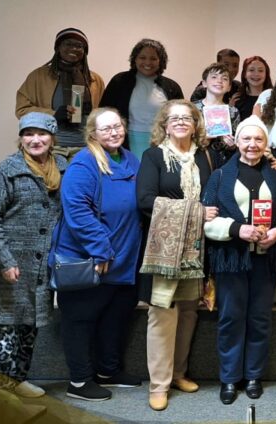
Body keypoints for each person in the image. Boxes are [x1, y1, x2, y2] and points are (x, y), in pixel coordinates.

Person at [202, 115, 276, 405]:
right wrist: (236, 229)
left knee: (260, 318)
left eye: (258, 139)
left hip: (265, 260)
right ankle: (230, 378)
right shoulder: (219, 176)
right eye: (247, 138)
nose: (252, 144)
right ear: (238, 142)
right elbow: (206, 221)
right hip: (231, 258)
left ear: (265, 144)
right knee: (230, 318)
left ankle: (254, 375)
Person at [51, 108, 142, 401]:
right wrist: (101, 250)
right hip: (92, 259)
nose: (114, 132)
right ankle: (78, 381)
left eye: (117, 127)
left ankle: (108, 370)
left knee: (115, 318)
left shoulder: (130, 160)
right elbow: (77, 211)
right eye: (106, 129)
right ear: (92, 134)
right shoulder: (84, 164)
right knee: (81, 318)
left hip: (124, 260)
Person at [136, 100, 222, 411]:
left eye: (187, 118)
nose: (182, 122)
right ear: (165, 124)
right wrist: (195, 211)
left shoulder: (203, 156)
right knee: (162, 314)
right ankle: (158, 385)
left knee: (188, 312)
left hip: (196, 248)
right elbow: (145, 200)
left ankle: (178, 374)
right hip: (165, 247)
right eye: (175, 118)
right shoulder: (154, 156)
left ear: (196, 124)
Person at [0, 113, 67, 397]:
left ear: (52, 137)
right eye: (28, 134)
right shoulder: (8, 168)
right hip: (13, 261)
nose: (35, 139)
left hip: (45, 261)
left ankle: (19, 381)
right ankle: (3, 387)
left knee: (31, 325)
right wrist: (5, 261)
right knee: (7, 326)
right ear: (20, 138)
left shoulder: (64, 168)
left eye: (41, 134)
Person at [15, 27, 105, 157]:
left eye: (79, 46)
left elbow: (104, 115)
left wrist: (91, 113)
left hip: (86, 148)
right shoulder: (38, 76)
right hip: (50, 147)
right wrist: (53, 114)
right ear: (58, 47)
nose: (74, 49)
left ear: (85, 51)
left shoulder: (95, 80)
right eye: (68, 44)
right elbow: (21, 110)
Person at [100, 38, 184, 157]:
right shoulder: (119, 81)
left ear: (161, 61)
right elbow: (103, 112)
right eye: (142, 57)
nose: (148, 62)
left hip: (161, 140)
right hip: (126, 140)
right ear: (135, 59)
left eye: (153, 58)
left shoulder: (172, 87)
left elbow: (181, 117)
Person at [192, 62, 242, 158]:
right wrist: (202, 138)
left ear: (229, 87)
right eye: (214, 77)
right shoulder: (192, 108)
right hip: (197, 157)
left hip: (223, 160)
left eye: (225, 79)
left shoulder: (233, 111)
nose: (219, 81)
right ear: (204, 83)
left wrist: (232, 146)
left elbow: (237, 143)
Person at [237, 55, 273, 122]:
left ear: (266, 74)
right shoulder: (237, 100)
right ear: (245, 74)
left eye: (260, 70)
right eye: (251, 70)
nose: (256, 74)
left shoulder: (274, 98)